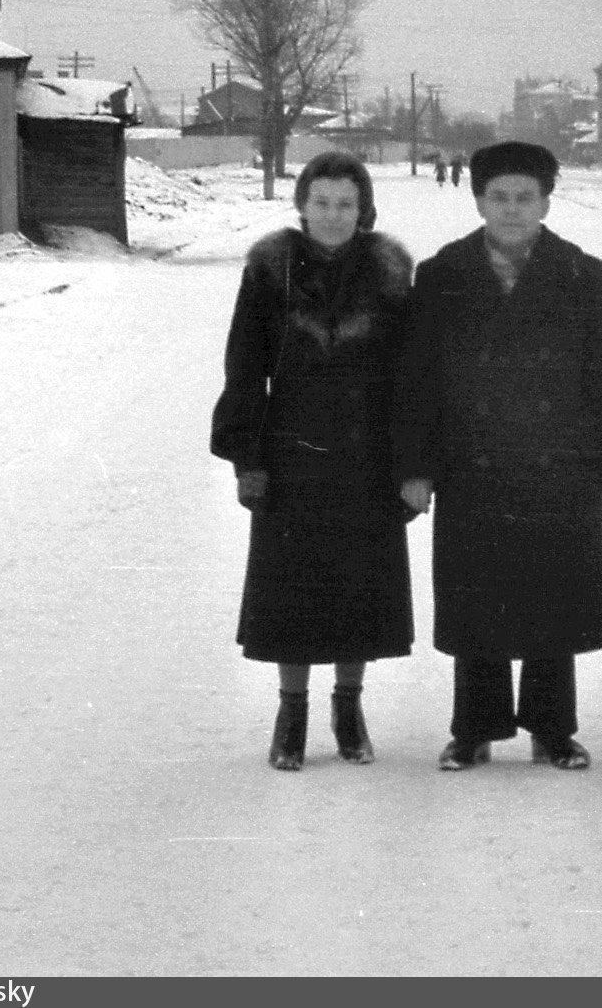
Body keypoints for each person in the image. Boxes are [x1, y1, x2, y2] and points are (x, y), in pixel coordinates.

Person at [396, 141, 602, 772]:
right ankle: (475, 727)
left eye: (526, 197)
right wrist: (416, 466)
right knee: (478, 598)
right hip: (475, 464)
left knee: (554, 597)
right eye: (500, 197)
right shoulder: (442, 274)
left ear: (548, 200)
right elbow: (418, 379)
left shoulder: (583, 272)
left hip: (558, 466)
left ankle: (553, 729)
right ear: (478, 201)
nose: (513, 209)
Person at [210, 151, 416, 770]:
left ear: (364, 209)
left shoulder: (389, 276)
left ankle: (348, 707)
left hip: (365, 456)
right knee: (290, 592)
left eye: (345, 204)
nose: (333, 215)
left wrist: (409, 465)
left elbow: (408, 377)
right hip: (291, 453)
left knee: (358, 588)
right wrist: (248, 457)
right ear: (301, 207)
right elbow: (244, 368)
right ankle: (291, 712)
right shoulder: (269, 272)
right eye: (322, 202)